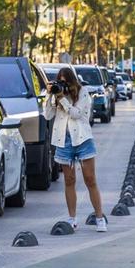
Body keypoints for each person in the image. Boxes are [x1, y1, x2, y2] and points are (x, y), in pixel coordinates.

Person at [45, 66, 106, 232]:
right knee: (69, 180)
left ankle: (99, 218)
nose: (62, 85)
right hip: (63, 141)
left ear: (71, 81)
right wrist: (50, 95)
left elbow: (76, 114)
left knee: (90, 179)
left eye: (65, 82)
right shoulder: (56, 96)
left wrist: (62, 98)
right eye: (60, 82)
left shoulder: (82, 92)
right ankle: (71, 218)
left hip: (82, 139)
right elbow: (48, 115)